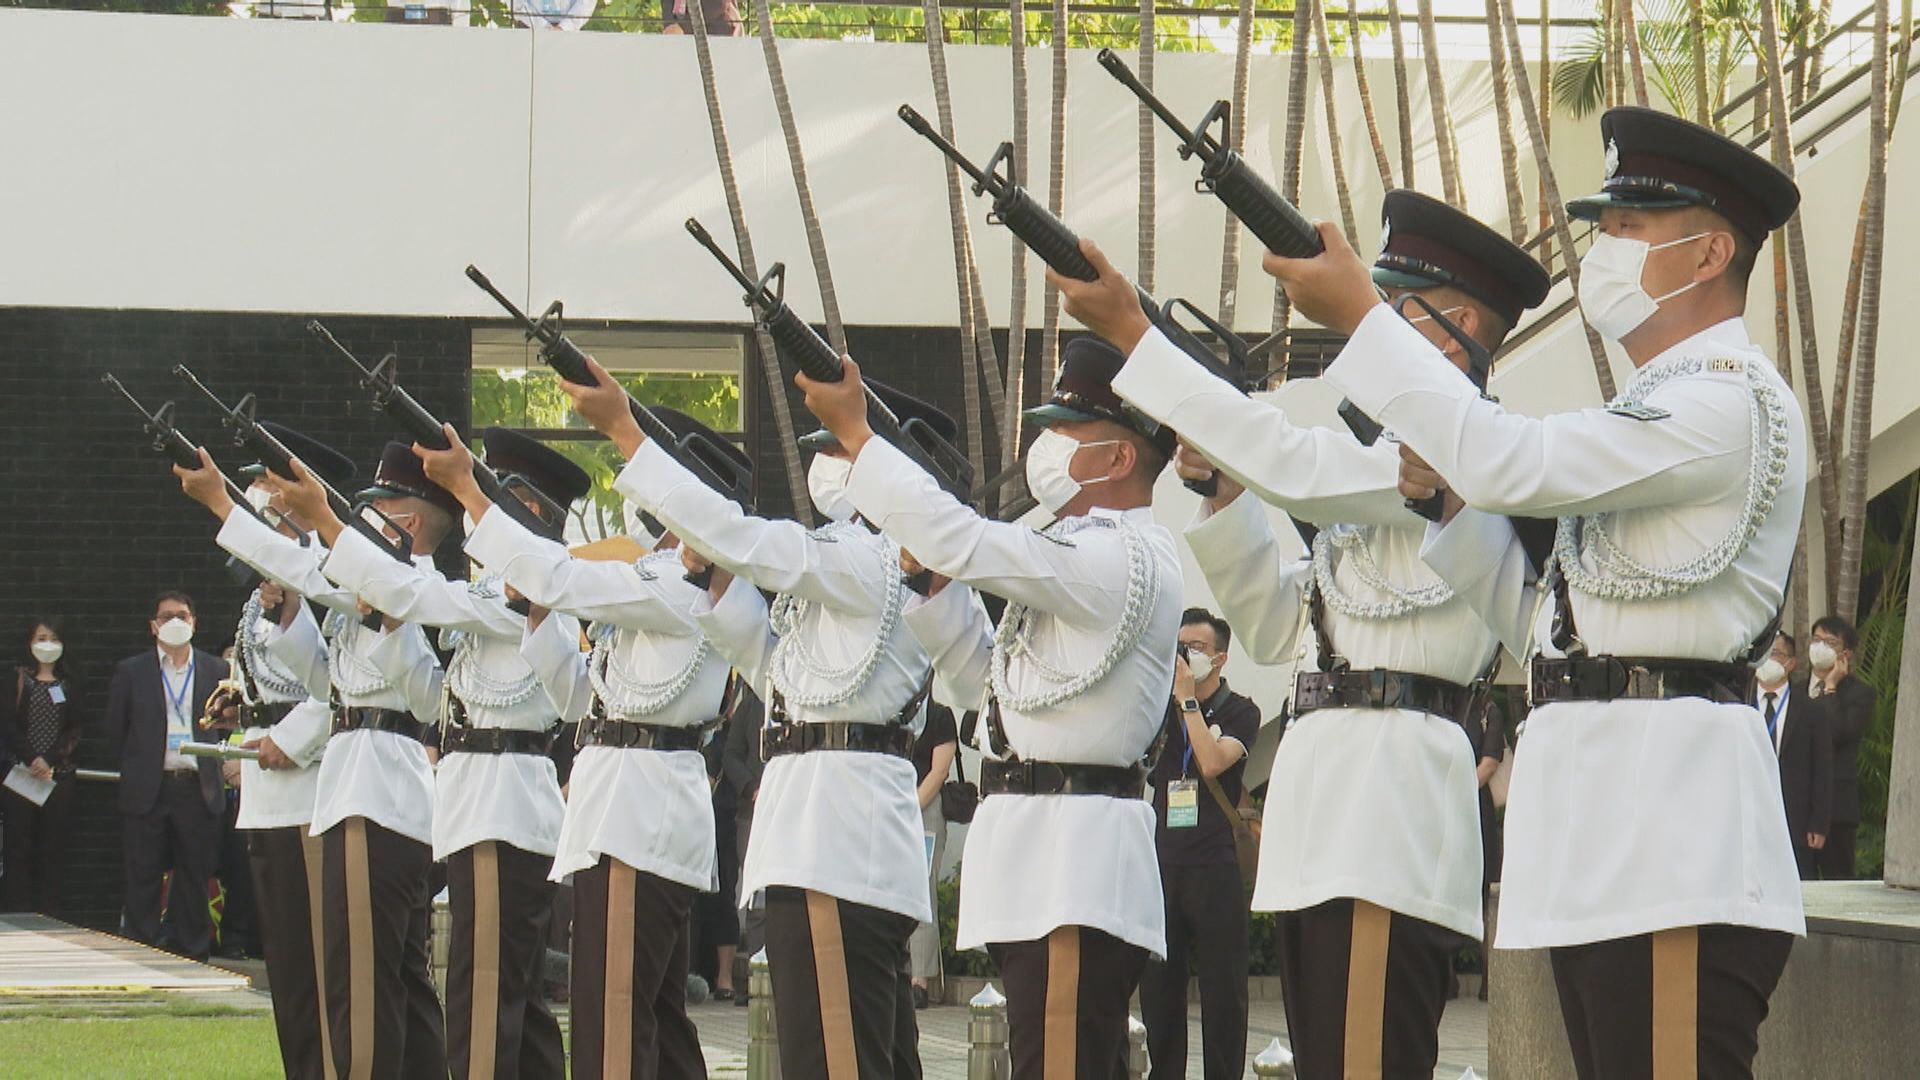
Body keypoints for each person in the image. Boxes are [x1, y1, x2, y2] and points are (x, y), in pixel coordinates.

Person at [1277, 106, 1806, 1076]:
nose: (1601, 250)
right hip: (1604, 836)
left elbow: (1509, 460)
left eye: (1628, 229)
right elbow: (1546, 631)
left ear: (1707, 253)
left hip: (1671, 845)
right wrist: (1448, 510)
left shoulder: (1724, 397)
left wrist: (1361, 317)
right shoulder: (1649, 409)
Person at [1066, 189, 1551, 1076]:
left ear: (1459, 330)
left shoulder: (1477, 455)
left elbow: (1294, 462)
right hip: (1323, 812)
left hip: (1388, 814)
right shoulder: (1383, 467)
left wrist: (1139, 336)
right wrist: (1223, 490)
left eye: (1396, 309)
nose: (1372, 331)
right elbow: (1278, 619)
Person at [797, 339, 1183, 1080]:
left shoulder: (1122, 556)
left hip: (1077, 867)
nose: (1046, 448)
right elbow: (994, 694)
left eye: (1066, 432)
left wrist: (859, 437)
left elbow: (966, 539)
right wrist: (934, 593)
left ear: (1119, 459)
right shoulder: (1073, 555)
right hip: (1037, 859)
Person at [567, 363, 950, 1080]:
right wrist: (712, 574)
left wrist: (626, 433)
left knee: (836, 1059)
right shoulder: (855, 571)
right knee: (865, 1057)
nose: (821, 466)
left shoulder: (869, 560)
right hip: (819, 837)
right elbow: (774, 666)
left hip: (838, 844)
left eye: (837, 448)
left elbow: (749, 540)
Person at [437, 411, 748, 1080]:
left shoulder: (679, 585)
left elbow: (569, 578)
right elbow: (581, 699)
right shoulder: (657, 580)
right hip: (622, 814)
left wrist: (471, 493)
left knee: (612, 1025)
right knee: (655, 1023)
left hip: (639, 819)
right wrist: (541, 610)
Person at [286, 427, 585, 1080]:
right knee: (511, 1002)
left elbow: (413, 599)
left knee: (480, 1002)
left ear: (528, 514)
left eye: (496, 499)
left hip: (502, 807)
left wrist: (322, 524)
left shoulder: (531, 596)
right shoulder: (495, 596)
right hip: (476, 805)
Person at [196, 441, 451, 1079]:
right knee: (377, 977)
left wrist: (386, 620)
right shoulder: (372, 584)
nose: (363, 520)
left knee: (362, 984)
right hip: (351, 780)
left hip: (382, 784)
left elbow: (426, 697)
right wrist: (290, 617)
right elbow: (330, 682)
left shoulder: (424, 589)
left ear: (409, 521)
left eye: (378, 507)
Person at [1138, 607, 1259, 1080]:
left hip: (1216, 864)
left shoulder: (1241, 711)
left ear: (1221, 658)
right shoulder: (1157, 712)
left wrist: (1188, 701)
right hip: (1164, 861)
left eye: (1196, 648)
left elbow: (1210, 762)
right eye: (1179, 646)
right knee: (1159, 993)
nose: (1184, 657)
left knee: (1223, 994)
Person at [106, 590, 230, 961]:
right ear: (153, 626)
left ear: (194, 622)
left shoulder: (217, 671)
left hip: (197, 786)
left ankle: (192, 952)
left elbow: (228, 725)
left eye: (182, 615)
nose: (175, 622)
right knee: (142, 875)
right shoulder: (132, 671)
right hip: (149, 786)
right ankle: (143, 952)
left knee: (194, 876)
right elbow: (115, 729)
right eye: (166, 616)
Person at [3, 618, 85, 917]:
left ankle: (49, 912)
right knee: (18, 845)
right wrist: (31, 758)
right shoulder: (19, 679)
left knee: (53, 846)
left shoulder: (69, 682)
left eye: (53, 638)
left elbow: (74, 728)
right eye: (41, 637)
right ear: (30, 642)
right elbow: (8, 724)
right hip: (21, 774)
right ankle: (16, 910)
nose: (46, 644)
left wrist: (50, 759)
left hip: (58, 776)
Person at [1758, 633, 1831, 879]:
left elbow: (1822, 769)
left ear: (1791, 663)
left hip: (1795, 818)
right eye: (1765, 654)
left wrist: (1819, 822)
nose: (1769, 660)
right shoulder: (1739, 703)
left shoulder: (1811, 710)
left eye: (1776, 654)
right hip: (1751, 814)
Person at [1808, 615, 1875, 879]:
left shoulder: (1860, 694)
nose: (1820, 647)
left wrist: (1831, 686)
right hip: (1798, 806)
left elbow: (1837, 733)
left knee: (1839, 881)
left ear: (1846, 654)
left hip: (1837, 809)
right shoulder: (1795, 689)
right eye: (1816, 640)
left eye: (1830, 642)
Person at [907, 699, 959, 1010]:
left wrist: (911, 806)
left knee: (921, 892)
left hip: (925, 811)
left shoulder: (940, 715)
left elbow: (939, 771)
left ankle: (920, 980)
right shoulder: (895, 711)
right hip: (892, 808)